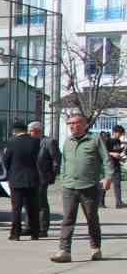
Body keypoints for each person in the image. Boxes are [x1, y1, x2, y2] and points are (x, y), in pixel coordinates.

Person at [50, 113, 109, 264]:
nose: (71, 126)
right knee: (68, 219)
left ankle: (95, 247)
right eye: (69, 123)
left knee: (92, 218)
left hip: (89, 186)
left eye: (75, 123)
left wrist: (107, 177)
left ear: (83, 124)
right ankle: (64, 251)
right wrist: (63, 179)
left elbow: (106, 159)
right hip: (69, 187)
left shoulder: (94, 139)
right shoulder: (67, 142)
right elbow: (64, 162)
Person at [2, 122, 43, 242]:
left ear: (15, 131)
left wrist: (8, 173)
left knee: (16, 208)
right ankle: (35, 233)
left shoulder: (11, 142)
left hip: (16, 179)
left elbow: (6, 160)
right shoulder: (35, 141)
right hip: (32, 178)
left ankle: (15, 234)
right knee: (33, 207)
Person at [31, 120, 60, 233]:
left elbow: (56, 160)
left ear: (37, 131)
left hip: (43, 176)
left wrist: (52, 175)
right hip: (30, 176)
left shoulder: (48, 142)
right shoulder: (30, 142)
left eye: (30, 131)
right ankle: (31, 226)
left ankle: (43, 228)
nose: (29, 134)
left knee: (41, 201)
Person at [106, 125, 125, 208]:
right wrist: (112, 154)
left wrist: (121, 156)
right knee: (106, 184)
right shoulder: (108, 141)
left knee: (117, 184)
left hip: (116, 165)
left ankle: (119, 202)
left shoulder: (118, 141)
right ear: (114, 132)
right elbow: (104, 152)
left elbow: (117, 152)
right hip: (109, 165)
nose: (121, 135)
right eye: (120, 133)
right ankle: (100, 202)